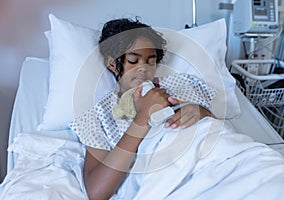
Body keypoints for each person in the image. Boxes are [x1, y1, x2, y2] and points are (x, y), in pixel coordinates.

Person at [69, 18, 216, 200]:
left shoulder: (180, 84)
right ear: (112, 64)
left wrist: (201, 112)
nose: (143, 69)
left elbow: (215, 129)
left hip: (209, 165)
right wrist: (141, 119)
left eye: (151, 62)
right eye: (133, 61)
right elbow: (96, 192)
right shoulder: (98, 116)